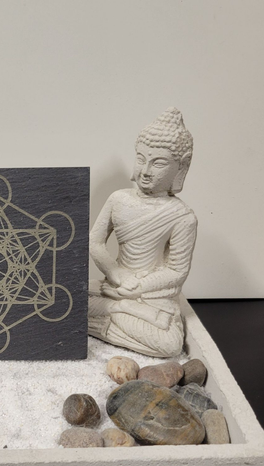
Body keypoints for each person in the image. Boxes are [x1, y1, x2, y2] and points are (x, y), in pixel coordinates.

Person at [88, 107, 197, 357]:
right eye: (140, 159)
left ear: (181, 166)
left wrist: (140, 286)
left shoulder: (182, 216)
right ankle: (117, 311)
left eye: (158, 163)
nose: (146, 170)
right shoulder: (118, 199)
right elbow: (95, 243)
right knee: (64, 300)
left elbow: (176, 270)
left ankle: (110, 315)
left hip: (150, 296)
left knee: (170, 344)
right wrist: (117, 274)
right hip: (114, 285)